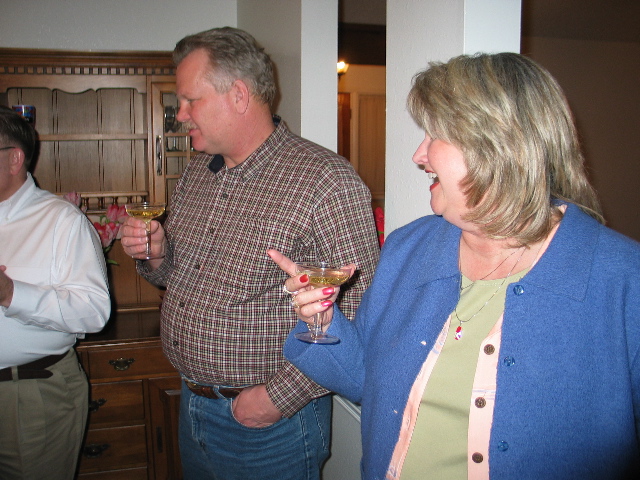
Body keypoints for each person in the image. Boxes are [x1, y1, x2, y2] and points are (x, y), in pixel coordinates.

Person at [271, 52, 640, 480]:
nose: (418, 155)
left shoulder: (622, 281)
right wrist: (323, 321)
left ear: (500, 145)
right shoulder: (408, 248)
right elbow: (364, 379)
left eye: (435, 135)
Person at [119, 27, 380, 480]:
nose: (181, 115)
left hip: (270, 426)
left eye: (190, 100)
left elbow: (362, 312)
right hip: (192, 403)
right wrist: (156, 255)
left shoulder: (325, 181)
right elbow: (175, 277)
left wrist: (278, 398)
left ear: (238, 95)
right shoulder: (198, 172)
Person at [0, 105, 111, 479]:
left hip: (28, 394)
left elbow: (93, 312)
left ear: (14, 159)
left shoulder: (61, 220)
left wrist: (10, 293)